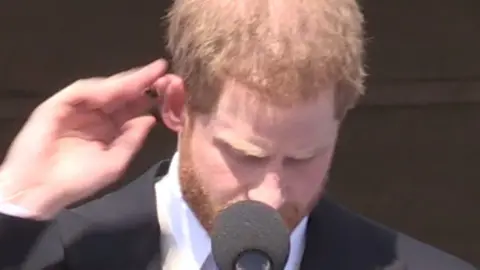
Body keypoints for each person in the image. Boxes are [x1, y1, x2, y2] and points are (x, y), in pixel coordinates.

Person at [0, 0, 476, 269]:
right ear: (178, 107)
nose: (269, 197)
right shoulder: (50, 258)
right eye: (245, 155)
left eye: (302, 159)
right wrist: (14, 203)